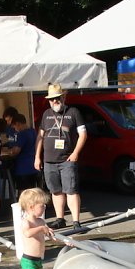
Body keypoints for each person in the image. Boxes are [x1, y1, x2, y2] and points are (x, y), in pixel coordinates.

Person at [35, 83, 87, 230]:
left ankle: (76, 221)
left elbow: (83, 134)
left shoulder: (74, 112)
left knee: (71, 190)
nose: (55, 101)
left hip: (67, 159)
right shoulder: (46, 114)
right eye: (51, 99)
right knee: (55, 191)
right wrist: (37, 157)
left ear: (63, 97)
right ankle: (60, 219)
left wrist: (76, 152)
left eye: (57, 98)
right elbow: (40, 137)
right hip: (49, 160)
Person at [18, 187, 54, 269]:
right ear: (31, 207)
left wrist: (64, 240)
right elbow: (28, 233)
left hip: (38, 259)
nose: (44, 208)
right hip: (28, 260)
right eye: (42, 206)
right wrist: (41, 228)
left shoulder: (41, 221)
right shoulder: (26, 222)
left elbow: (49, 234)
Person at [9, 113, 40, 193]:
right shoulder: (33, 131)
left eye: (15, 127)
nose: (15, 129)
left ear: (18, 124)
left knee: (24, 193)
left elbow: (16, 150)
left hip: (23, 168)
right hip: (33, 167)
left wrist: (11, 151)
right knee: (33, 191)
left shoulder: (22, 134)